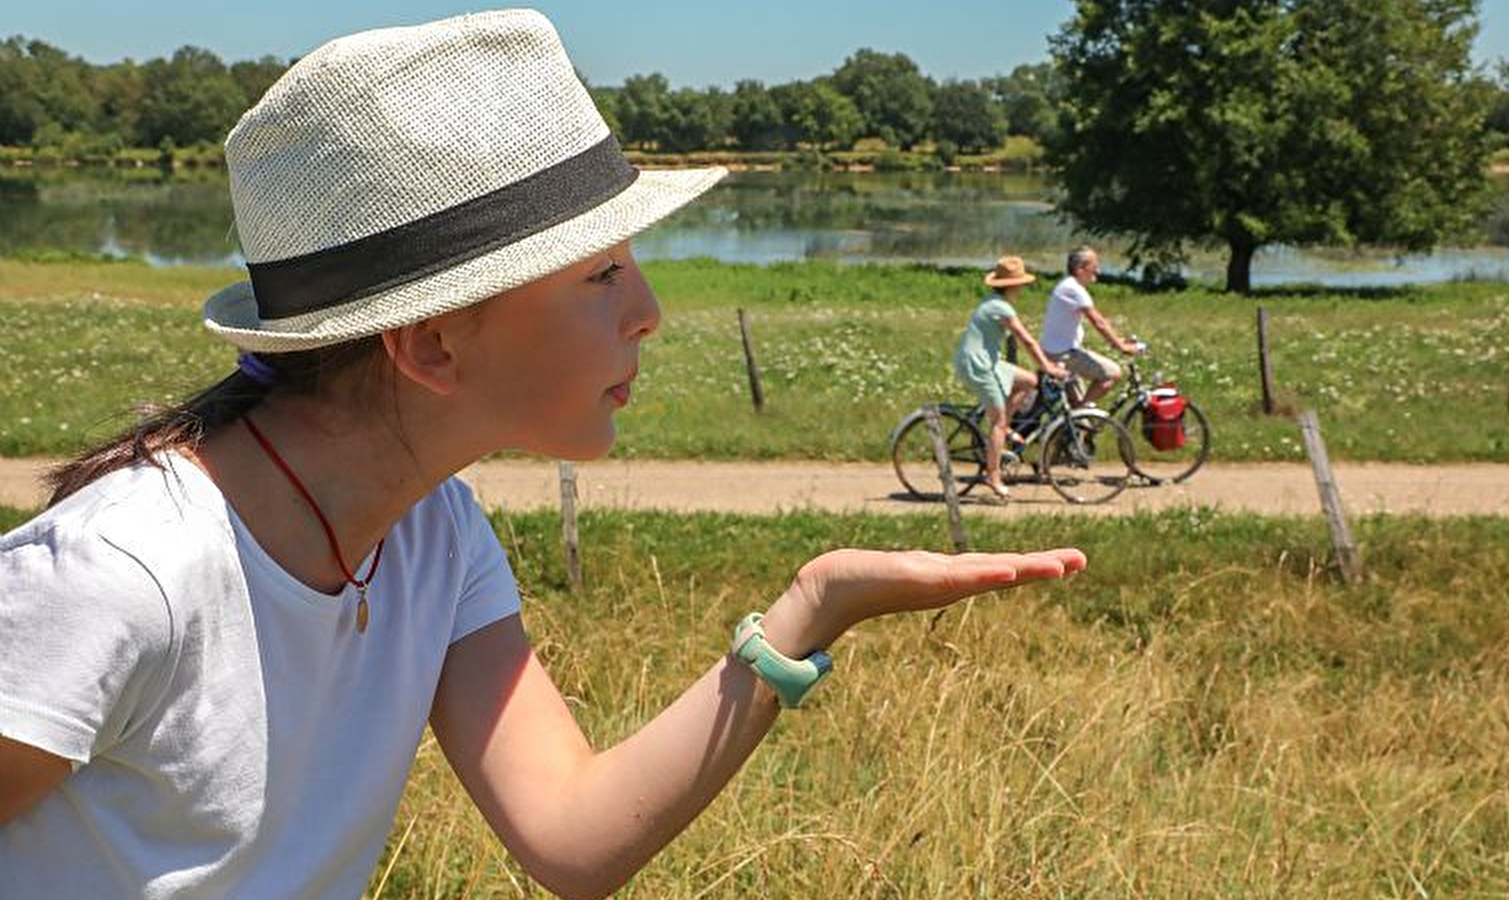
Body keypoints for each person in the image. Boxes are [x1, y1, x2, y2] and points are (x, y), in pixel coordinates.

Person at [0, 11, 1086, 900]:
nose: (650, 312)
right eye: (601, 274)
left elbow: (570, 835)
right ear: (431, 343)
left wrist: (809, 609)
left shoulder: (433, 531)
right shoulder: (124, 575)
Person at [952, 256, 1068, 501]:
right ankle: (993, 476)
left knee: (1029, 381)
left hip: (989, 362)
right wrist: (1048, 367)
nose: (1023, 287)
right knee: (998, 421)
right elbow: (1027, 340)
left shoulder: (995, 301)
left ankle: (1003, 434)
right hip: (978, 365)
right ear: (1013, 284)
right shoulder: (1000, 307)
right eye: (1021, 282)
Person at [1040, 246, 1143, 406]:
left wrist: (1118, 340)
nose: (1099, 271)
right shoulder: (1074, 289)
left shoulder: (1067, 285)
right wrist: (1121, 346)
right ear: (1080, 269)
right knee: (1112, 373)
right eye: (1094, 267)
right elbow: (1099, 322)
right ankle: (1080, 413)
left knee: (1076, 418)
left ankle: (1075, 419)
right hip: (1064, 353)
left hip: (1056, 351)